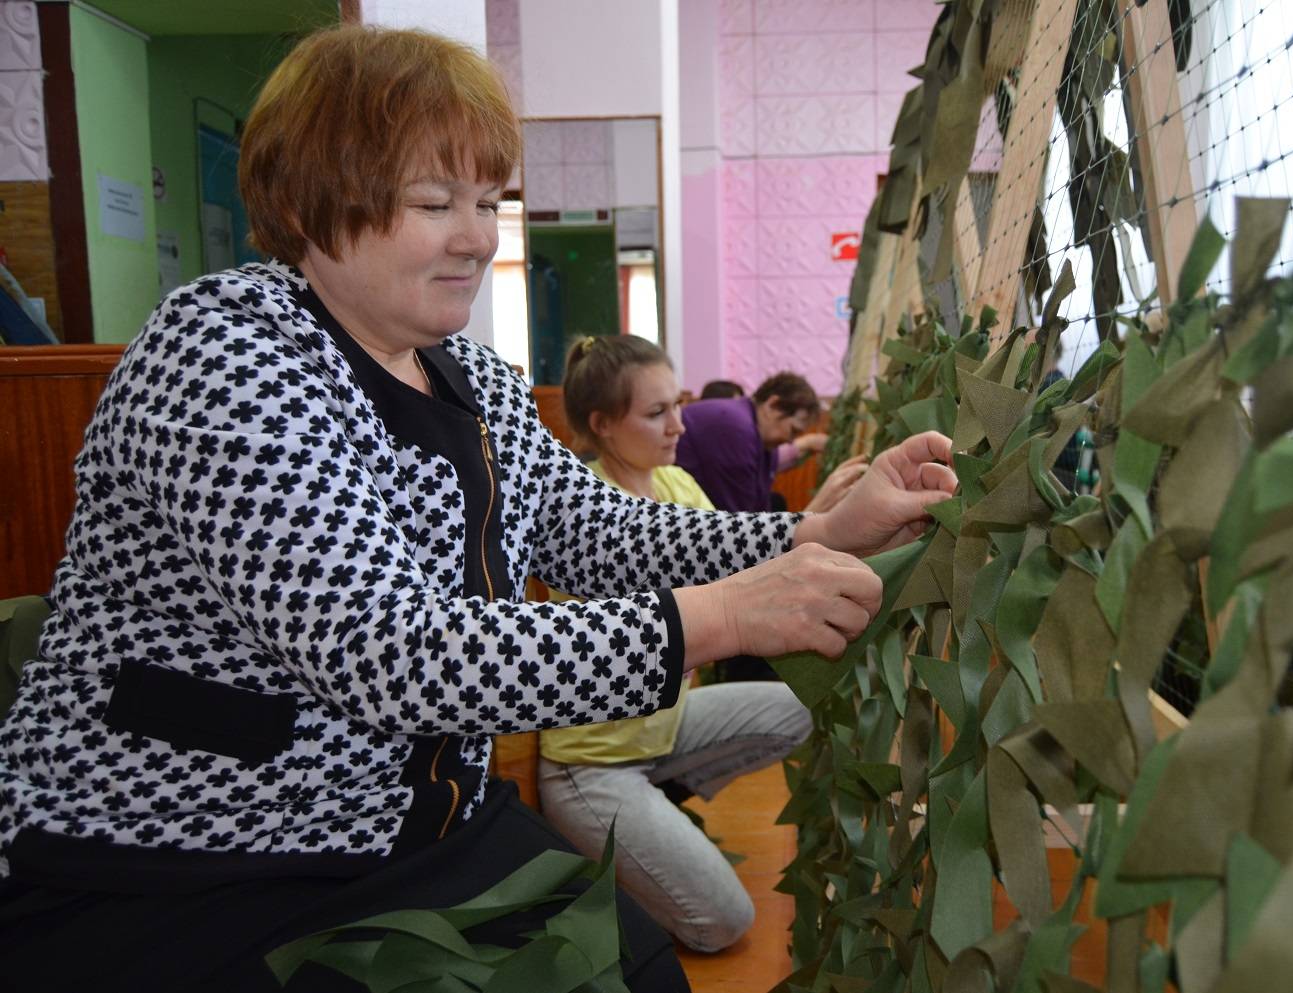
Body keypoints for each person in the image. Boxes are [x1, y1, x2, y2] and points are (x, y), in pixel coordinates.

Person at [0, 26, 957, 993]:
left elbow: (594, 529)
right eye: (433, 202)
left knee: (635, 966)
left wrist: (812, 532)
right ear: (306, 202)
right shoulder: (223, 356)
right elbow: (389, 649)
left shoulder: (469, 377)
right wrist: (727, 615)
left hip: (415, 818)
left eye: (485, 201)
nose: (476, 235)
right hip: (203, 854)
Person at [538, 335, 810, 953]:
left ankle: (651, 816)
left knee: (797, 709)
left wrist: (835, 516)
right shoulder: (582, 510)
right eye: (656, 413)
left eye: (677, 405)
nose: (679, 425)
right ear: (603, 425)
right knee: (723, 924)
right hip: (596, 761)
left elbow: (743, 566)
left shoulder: (678, 485)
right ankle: (602, 869)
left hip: (665, 726)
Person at [675, 371, 825, 513]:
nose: (790, 440)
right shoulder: (737, 430)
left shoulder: (758, 437)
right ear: (773, 405)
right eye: (793, 430)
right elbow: (739, 522)